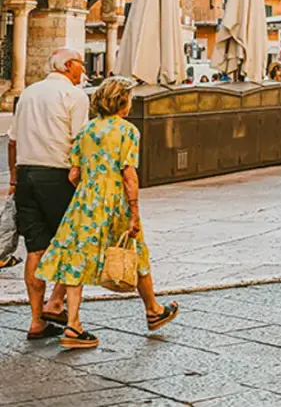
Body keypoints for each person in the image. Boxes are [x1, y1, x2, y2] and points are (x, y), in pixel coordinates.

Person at [36, 77, 179, 349]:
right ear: (122, 101)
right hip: (115, 202)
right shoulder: (127, 131)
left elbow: (73, 173)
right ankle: (152, 310)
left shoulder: (86, 130)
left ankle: (73, 325)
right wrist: (134, 210)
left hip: (84, 202)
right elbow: (129, 174)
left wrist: (89, 190)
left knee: (76, 258)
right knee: (133, 250)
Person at [7, 48, 89, 341]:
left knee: (35, 248)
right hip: (58, 176)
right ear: (68, 66)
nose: (83, 69)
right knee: (73, 243)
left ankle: (36, 321)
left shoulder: (28, 93)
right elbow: (80, 143)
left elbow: (13, 141)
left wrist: (15, 179)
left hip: (27, 175)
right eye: (80, 63)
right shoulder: (75, 96)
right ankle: (62, 310)